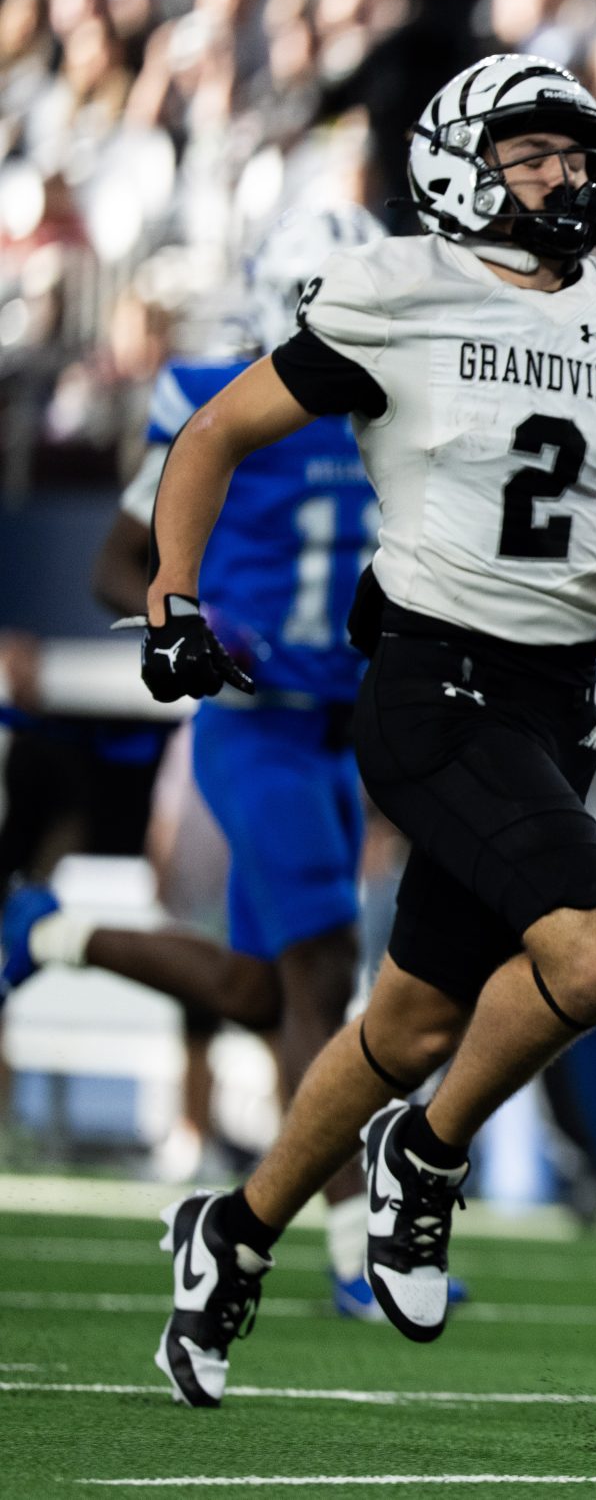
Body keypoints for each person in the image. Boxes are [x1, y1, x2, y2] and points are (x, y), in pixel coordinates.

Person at [124, 53, 596, 1407]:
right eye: (532, 153)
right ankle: (428, 1155)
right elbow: (212, 434)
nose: (565, 174)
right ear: (460, 170)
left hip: (555, 702)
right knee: (594, 953)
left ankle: (234, 1231)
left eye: (575, 151)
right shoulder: (395, 291)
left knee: (405, 1023)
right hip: (428, 680)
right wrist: (173, 601)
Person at [5, 203, 394, 1318]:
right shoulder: (221, 401)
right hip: (253, 725)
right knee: (322, 973)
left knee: (263, 990)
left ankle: (49, 931)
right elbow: (116, 564)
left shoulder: (393, 402)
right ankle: (353, 1250)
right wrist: (191, 616)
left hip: (335, 731)